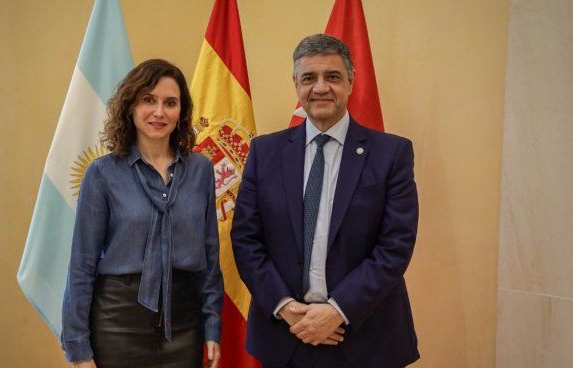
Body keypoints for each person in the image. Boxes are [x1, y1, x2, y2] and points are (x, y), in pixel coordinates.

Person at [231, 34, 419, 368]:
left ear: (351, 81)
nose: (320, 88)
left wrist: (338, 310)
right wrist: (286, 307)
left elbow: (395, 245)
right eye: (309, 78)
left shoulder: (391, 154)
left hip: (366, 338)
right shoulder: (264, 153)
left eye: (332, 76)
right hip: (285, 335)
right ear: (296, 85)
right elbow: (246, 240)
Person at [61, 59, 223, 368]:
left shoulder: (200, 170)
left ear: (182, 112)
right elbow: (81, 265)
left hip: (184, 325)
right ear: (131, 106)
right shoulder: (103, 173)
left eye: (170, 103)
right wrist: (78, 347)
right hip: (117, 325)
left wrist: (212, 324)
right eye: (148, 100)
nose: (159, 112)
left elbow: (209, 257)